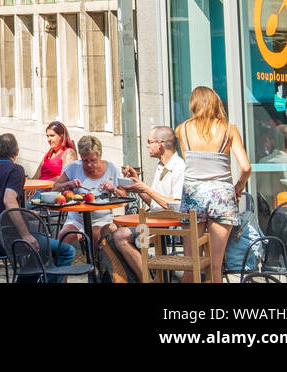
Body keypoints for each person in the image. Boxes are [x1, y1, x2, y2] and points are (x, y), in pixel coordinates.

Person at [0, 133, 76, 282]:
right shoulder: (16, 170)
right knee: (67, 251)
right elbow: (8, 201)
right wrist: (25, 234)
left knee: (45, 249)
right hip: (10, 239)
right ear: (17, 152)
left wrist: (25, 213)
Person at [176, 86, 250, 277]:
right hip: (222, 196)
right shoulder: (229, 130)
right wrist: (238, 187)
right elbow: (246, 167)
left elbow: (189, 162)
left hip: (194, 195)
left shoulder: (182, 130)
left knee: (191, 264)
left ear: (193, 104)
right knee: (215, 266)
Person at [103, 125, 186, 281]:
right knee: (106, 231)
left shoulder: (179, 167)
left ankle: (147, 279)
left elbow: (176, 205)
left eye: (149, 141)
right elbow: (153, 200)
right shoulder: (161, 166)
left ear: (160, 144)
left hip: (167, 225)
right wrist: (138, 185)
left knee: (120, 236)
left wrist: (145, 188)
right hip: (153, 220)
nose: (147, 145)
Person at [52, 135, 120, 251]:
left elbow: (123, 194)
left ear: (100, 155)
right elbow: (55, 188)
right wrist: (69, 184)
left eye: (93, 160)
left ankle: (96, 266)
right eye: (85, 160)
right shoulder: (74, 167)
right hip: (77, 219)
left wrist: (113, 189)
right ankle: (61, 267)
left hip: (102, 218)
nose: (89, 165)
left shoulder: (110, 168)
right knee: (63, 236)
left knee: (95, 235)